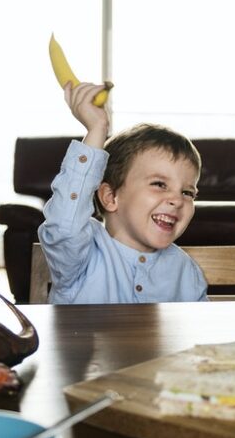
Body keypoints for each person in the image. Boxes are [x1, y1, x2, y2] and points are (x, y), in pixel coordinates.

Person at [38, 80, 208, 304]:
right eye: (159, 184)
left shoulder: (187, 273)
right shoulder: (80, 256)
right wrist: (96, 129)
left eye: (187, 192)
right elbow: (64, 225)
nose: (177, 199)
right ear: (111, 197)